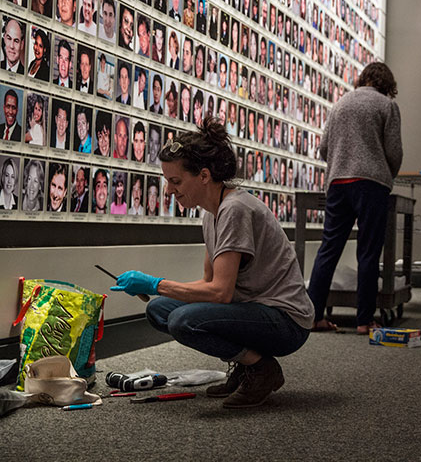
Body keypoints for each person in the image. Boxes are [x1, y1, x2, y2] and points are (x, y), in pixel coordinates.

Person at [110, 117, 313, 408]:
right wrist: (156, 289)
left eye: (176, 181)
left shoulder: (234, 209)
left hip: (285, 321)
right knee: (158, 309)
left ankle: (261, 369)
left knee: (182, 320)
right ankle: (246, 366)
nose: (169, 191)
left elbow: (220, 293)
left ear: (204, 175)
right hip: (253, 309)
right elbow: (208, 283)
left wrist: (156, 283)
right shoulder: (212, 212)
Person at [307, 63, 402, 334]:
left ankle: (313, 316)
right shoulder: (386, 105)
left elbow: (324, 148)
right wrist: (386, 174)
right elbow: (394, 151)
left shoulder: (340, 104)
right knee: (369, 252)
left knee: (329, 249)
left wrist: (342, 163)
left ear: (363, 79)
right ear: (387, 84)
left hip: (338, 183)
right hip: (371, 184)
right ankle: (364, 321)